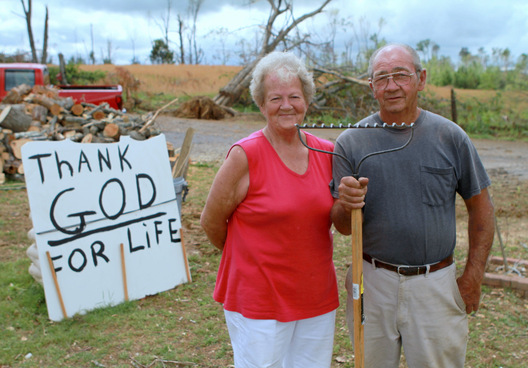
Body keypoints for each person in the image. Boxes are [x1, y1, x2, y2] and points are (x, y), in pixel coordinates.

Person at [330, 43, 495, 368]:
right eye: (382, 78)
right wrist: (346, 205)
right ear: (372, 87)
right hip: (371, 283)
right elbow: (343, 226)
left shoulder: (450, 137)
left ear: (420, 79)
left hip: (435, 283)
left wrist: (473, 277)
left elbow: (482, 208)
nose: (392, 86)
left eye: (401, 75)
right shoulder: (351, 142)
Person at [200, 51, 338, 368]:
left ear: (307, 101)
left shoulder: (326, 152)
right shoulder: (245, 155)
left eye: (294, 96)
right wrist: (250, 257)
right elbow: (211, 222)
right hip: (259, 300)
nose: (286, 105)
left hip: (315, 296)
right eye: (275, 98)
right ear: (261, 105)